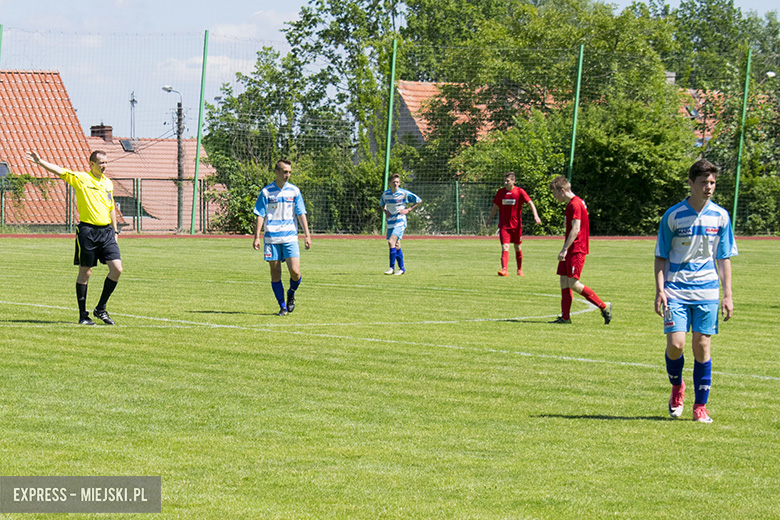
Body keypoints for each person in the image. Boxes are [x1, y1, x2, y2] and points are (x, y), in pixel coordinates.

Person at [655, 159, 737, 423]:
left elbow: (724, 257)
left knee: (702, 347)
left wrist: (728, 294)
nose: (709, 187)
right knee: (676, 345)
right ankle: (677, 386)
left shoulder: (721, 216)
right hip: (676, 289)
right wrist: (660, 290)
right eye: (703, 182)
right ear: (691, 183)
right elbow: (661, 256)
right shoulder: (673, 215)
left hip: (707, 291)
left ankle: (700, 407)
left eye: (712, 182)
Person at [26, 150, 122, 325]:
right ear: (91, 164)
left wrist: (115, 231)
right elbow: (60, 171)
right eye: (101, 163)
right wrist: (40, 162)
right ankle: (83, 316)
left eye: (106, 162)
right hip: (88, 232)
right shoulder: (81, 179)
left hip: (107, 232)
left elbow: (111, 207)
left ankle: (100, 309)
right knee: (86, 272)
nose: (104, 166)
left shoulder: (108, 183)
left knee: (117, 269)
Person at [548, 175, 611, 325]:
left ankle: (603, 306)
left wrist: (564, 249)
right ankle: (565, 317)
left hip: (576, 249)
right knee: (564, 280)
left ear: (562, 190)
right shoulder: (573, 203)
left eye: (555, 193)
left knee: (573, 283)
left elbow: (575, 229)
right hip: (571, 248)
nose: (555, 197)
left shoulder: (575, 204)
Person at [253, 159, 311, 316]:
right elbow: (260, 214)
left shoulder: (294, 191)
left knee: (295, 272)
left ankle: (291, 292)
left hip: (290, 237)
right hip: (272, 238)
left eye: (290, 172)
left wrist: (307, 234)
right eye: (285, 172)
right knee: (275, 273)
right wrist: (257, 236)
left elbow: (301, 213)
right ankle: (283, 306)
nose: (288, 175)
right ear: (277, 172)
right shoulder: (266, 192)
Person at [486, 172, 542, 276]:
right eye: (505, 181)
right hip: (504, 226)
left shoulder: (519, 192)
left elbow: (530, 203)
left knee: (517, 247)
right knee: (505, 247)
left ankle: (519, 269)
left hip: (516, 226)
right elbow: (495, 206)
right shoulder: (500, 192)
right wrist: (489, 219)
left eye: (508, 181)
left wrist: (536, 215)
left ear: (513, 181)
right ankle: (504, 270)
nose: (505, 182)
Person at [381, 174, 422, 275]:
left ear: (399, 183)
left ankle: (391, 267)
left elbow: (418, 200)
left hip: (400, 221)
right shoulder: (386, 194)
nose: (395, 184)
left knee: (391, 242)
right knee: (397, 245)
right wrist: (386, 212)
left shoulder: (403, 193)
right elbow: (382, 205)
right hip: (391, 222)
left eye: (397, 182)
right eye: (393, 182)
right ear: (390, 183)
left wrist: (408, 209)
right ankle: (402, 269)